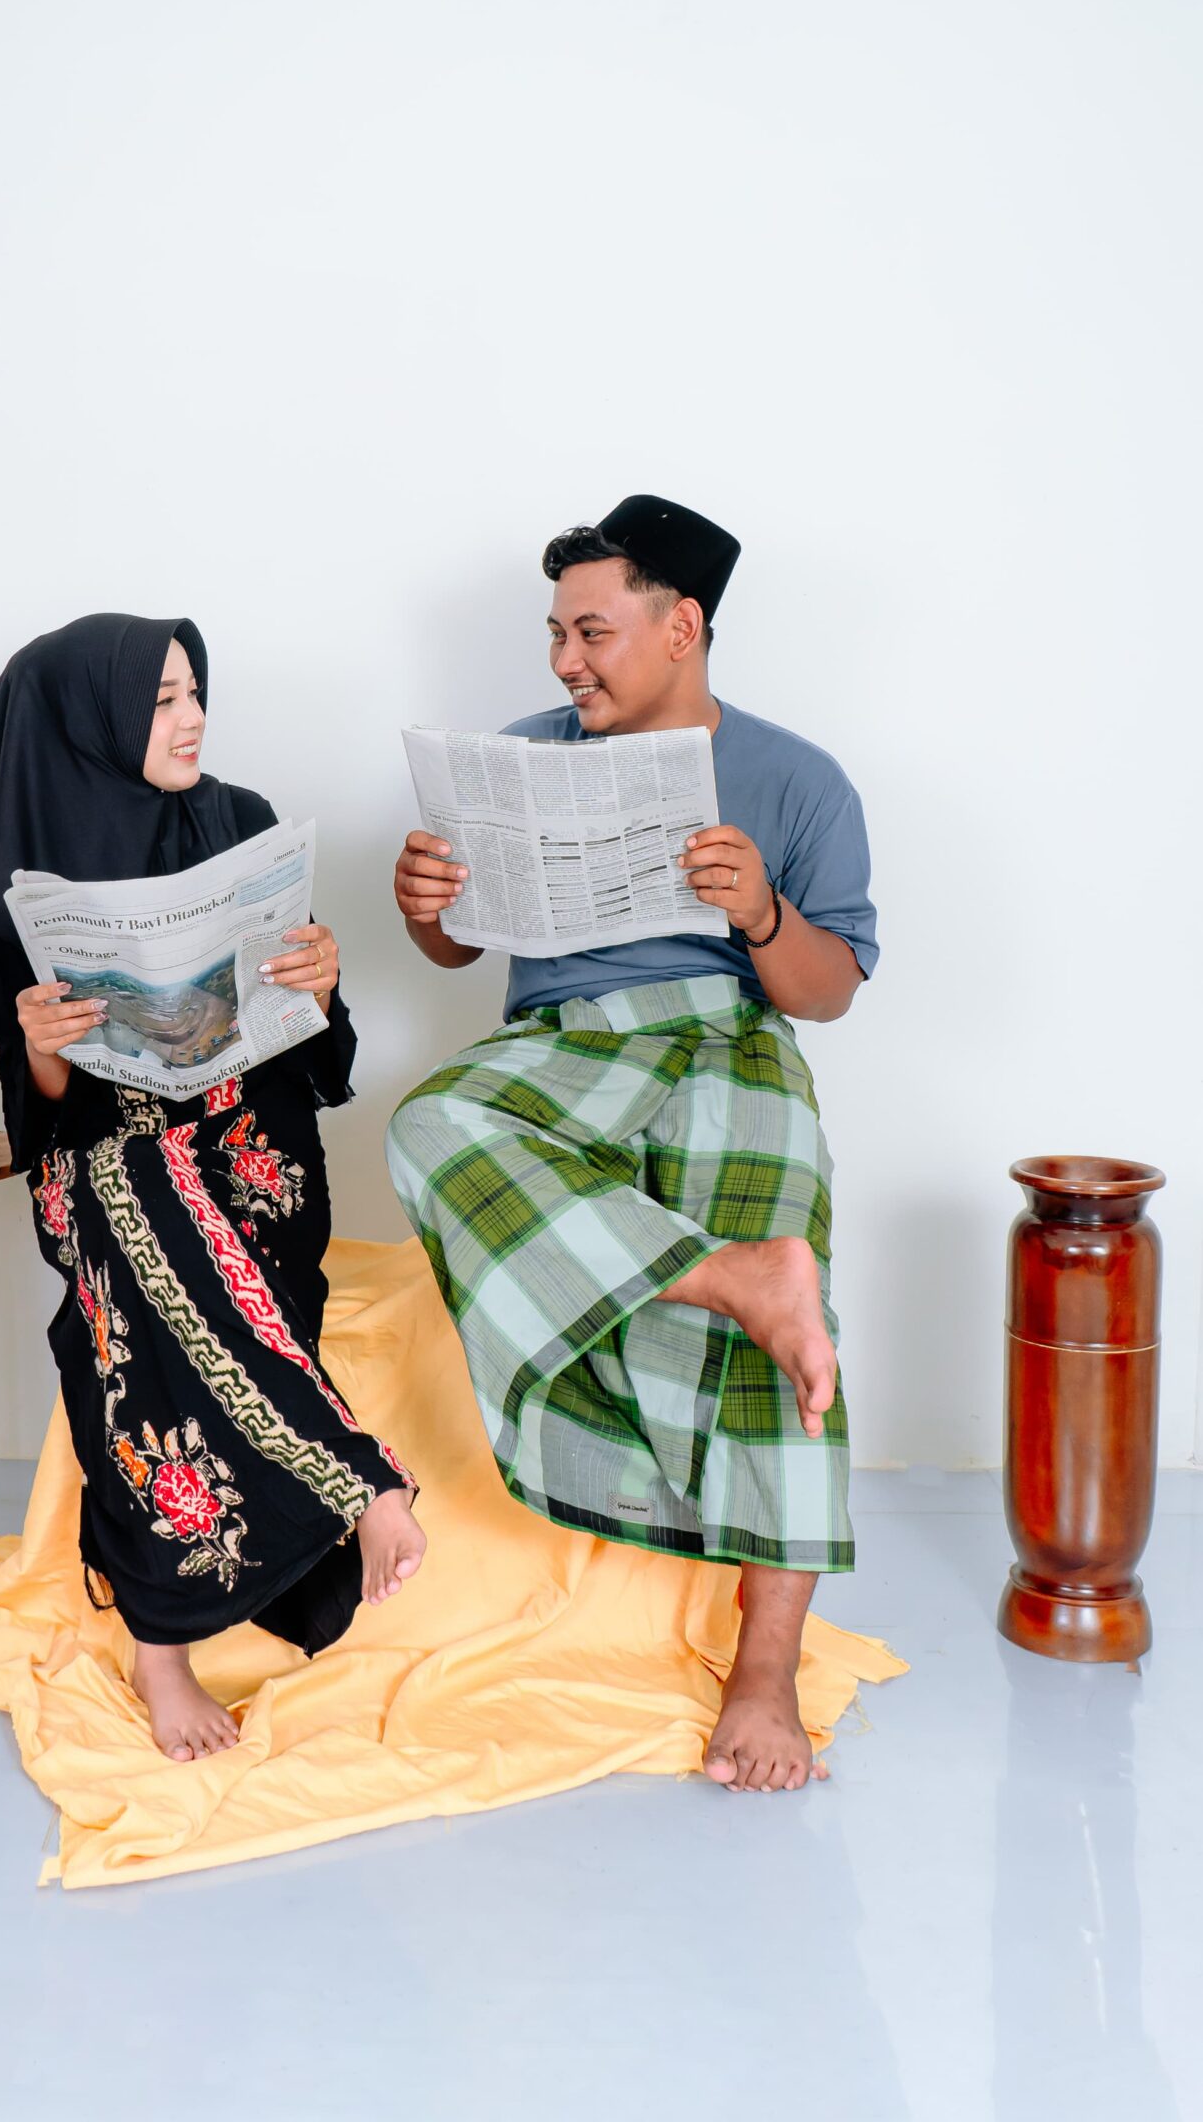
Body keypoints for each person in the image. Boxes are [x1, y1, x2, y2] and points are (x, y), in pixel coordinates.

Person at [385, 496, 877, 1795]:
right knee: (430, 1119)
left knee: (783, 1229)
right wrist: (426, 908)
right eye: (554, 633)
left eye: (590, 632)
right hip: (561, 1043)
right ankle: (731, 1278)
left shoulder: (798, 778)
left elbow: (827, 991)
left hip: (727, 1035)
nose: (564, 661)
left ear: (680, 627)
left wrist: (759, 910)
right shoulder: (519, 757)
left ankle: (762, 1672)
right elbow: (456, 947)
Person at [0, 613, 424, 1762]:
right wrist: (41, 1044)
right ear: (87, 723)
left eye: (193, 691)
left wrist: (320, 984)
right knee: (131, 1183)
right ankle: (321, 1515)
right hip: (100, 1155)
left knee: (172, 1194)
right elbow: (38, 1117)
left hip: (248, 1146)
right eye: (158, 701)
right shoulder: (36, 874)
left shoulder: (237, 820)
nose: (191, 718)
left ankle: (188, 1617)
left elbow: (313, 1054)